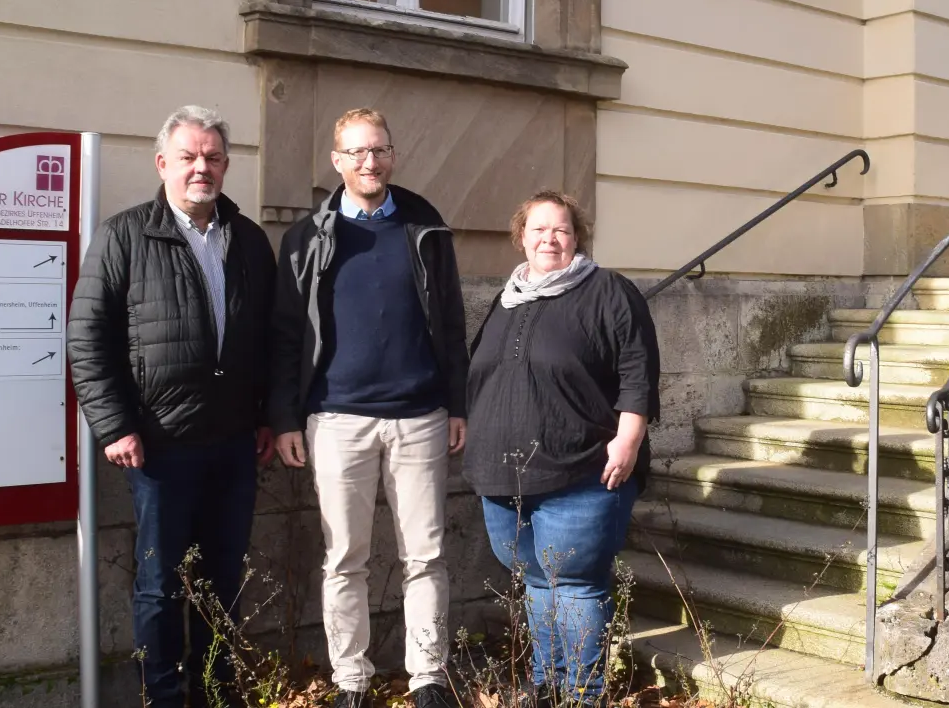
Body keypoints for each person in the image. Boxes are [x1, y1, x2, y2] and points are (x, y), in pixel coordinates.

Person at [68, 105, 277, 708]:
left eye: (212, 158)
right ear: (163, 163)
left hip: (235, 443)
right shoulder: (124, 235)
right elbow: (87, 337)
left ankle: (217, 691)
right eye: (188, 157)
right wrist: (114, 425)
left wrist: (266, 415)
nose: (200, 168)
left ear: (226, 166)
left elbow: (268, 336)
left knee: (223, 582)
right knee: (160, 585)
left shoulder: (248, 240)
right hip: (159, 445)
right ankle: (162, 696)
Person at [267, 108, 469, 708]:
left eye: (378, 150)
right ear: (337, 161)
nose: (369, 162)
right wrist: (283, 417)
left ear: (392, 155)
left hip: (420, 417)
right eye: (356, 153)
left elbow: (452, 322)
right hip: (337, 419)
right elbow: (284, 334)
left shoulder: (424, 228)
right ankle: (350, 681)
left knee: (426, 556)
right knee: (343, 559)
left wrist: (456, 403)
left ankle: (429, 678)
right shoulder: (307, 237)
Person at [464, 191, 660, 707]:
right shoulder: (508, 298)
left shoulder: (609, 292)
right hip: (506, 476)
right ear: (521, 237)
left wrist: (629, 438)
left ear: (577, 237)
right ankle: (545, 686)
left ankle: (582, 694)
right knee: (536, 582)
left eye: (562, 229)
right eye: (538, 229)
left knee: (573, 584)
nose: (549, 238)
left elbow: (638, 371)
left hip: (583, 471)